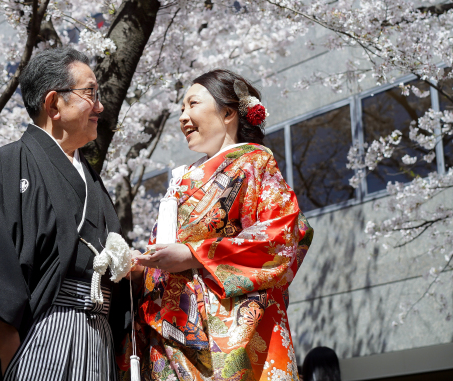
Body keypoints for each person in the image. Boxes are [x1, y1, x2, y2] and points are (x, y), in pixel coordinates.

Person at [0, 47, 128, 381]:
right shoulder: (8, 165)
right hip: (38, 342)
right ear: (54, 103)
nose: (100, 106)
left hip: (100, 340)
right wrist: (12, 363)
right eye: (90, 94)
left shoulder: (91, 180)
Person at [127, 69, 314, 381]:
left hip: (228, 327)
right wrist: (141, 268)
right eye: (181, 108)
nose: (183, 116)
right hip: (173, 327)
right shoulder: (184, 179)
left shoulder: (253, 162)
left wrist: (194, 255)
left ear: (228, 112)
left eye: (193, 104)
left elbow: (282, 237)